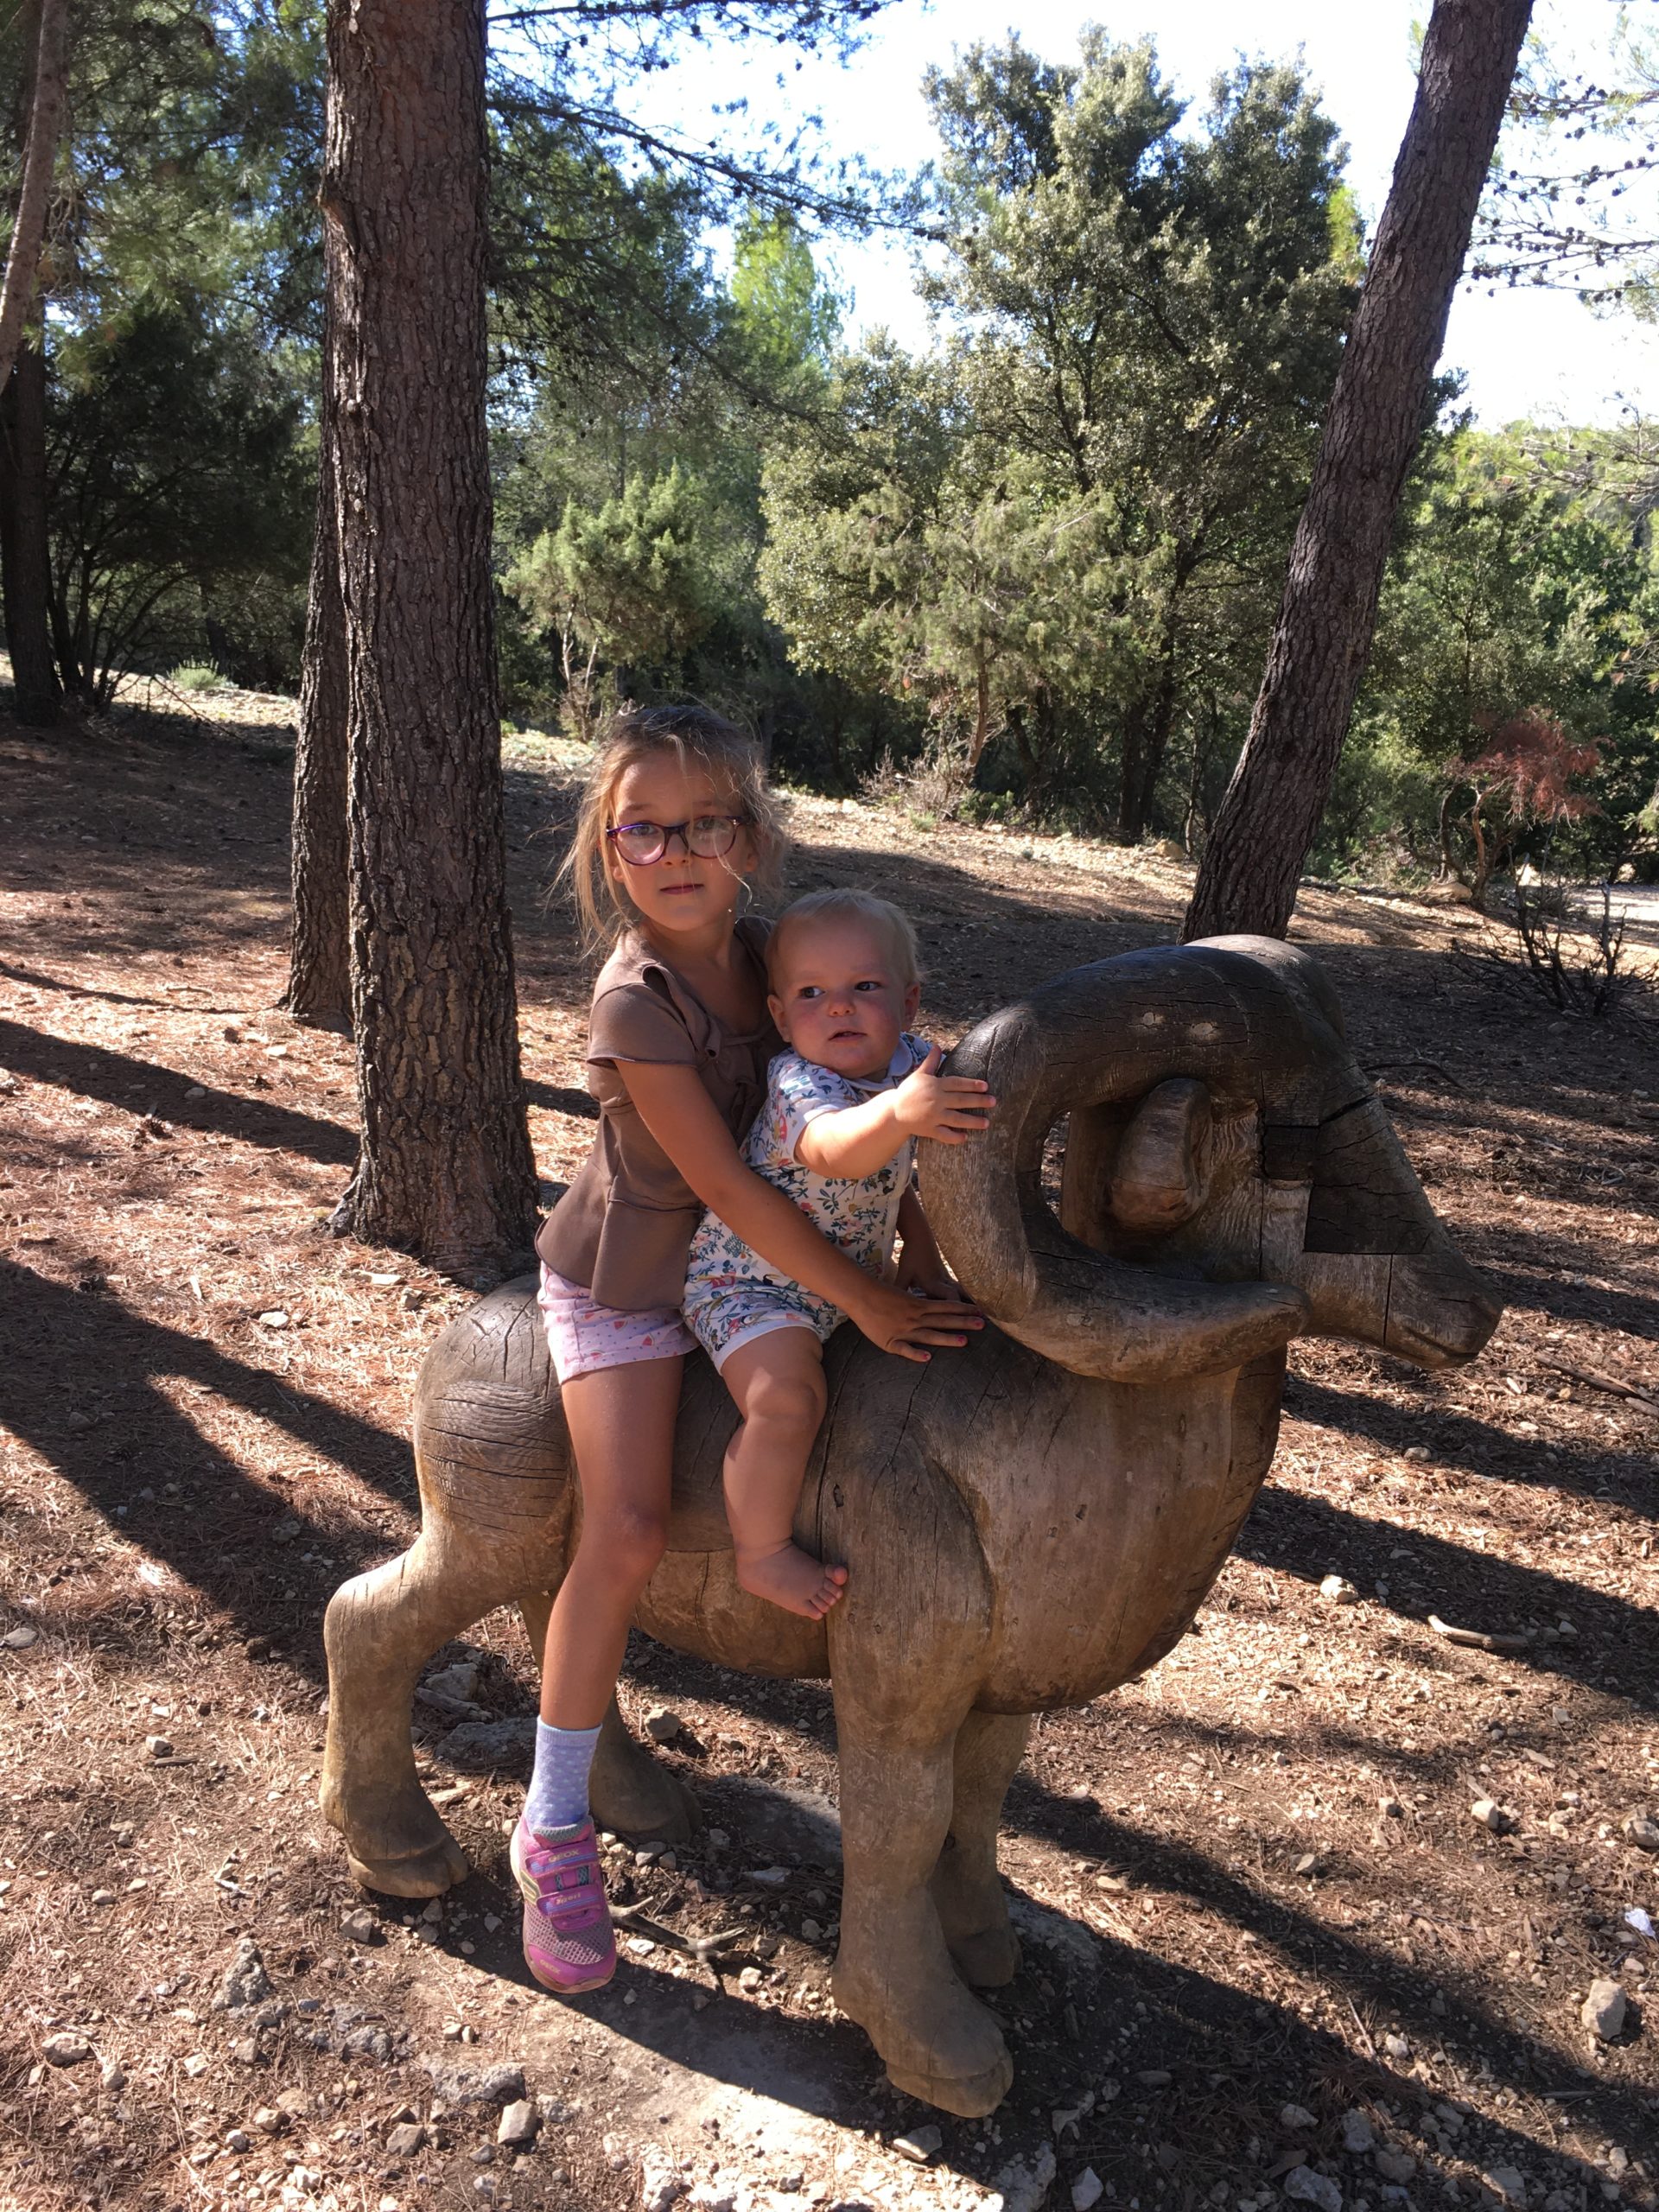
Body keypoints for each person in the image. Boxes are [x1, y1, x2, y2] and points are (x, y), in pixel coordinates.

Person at [514, 704, 987, 1999]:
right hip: (639, 1280)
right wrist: (870, 1299)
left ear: (752, 838)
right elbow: (729, 1185)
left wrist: (920, 1248)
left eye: (704, 824)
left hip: (781, 1268)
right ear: (610, 850)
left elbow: (877, 1101)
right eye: (644, 830)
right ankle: (552, 1817)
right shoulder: (635, 1001)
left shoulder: (791, 955)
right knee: (624, 1529)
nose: (675, 853)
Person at [682, 888, 992, 1620]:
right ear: (781, 1016)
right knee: (787, 1402)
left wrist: (921, 1247)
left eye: (866, 986)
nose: (840, 1007)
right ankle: (760, 1552)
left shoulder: (913, 1067)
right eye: (811, 993)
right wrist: (900, 1114)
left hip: (850, 1279)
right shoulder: (801, 1081)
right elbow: (837, 1152)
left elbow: (899, 1170)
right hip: (752, 1285)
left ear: (909, 1002)